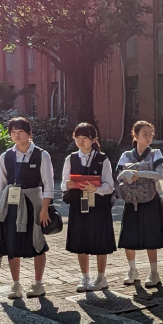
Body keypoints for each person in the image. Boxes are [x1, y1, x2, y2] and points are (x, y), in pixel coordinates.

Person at [0, 117, 54, 299]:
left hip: (33, 202)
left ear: (29, 133)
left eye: (20, 131)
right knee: (11, 243)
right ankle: (16, 285)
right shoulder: (6, 156)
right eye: (13, 132)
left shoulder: (42, 155)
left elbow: (48, 185)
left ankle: (38, 284)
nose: (16, 135)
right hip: (11, 205)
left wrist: (44, 209)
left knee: (37, 243)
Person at [61, 123, 116, 292]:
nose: (81, 141)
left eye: (85, 138)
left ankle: (101, 277)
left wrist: (96, 189)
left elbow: (110, 185)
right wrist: (69, 184)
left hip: (98, 204)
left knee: (101, 241)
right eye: (77, 137)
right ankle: (85, 277)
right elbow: (63, 184)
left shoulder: (102, 159)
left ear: (94, 140)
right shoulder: (71, 159)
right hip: (79, 204)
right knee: (80, 240)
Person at [117, 120, 163, 287]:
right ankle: (132, 269)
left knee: (151, 238)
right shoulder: (126, 155)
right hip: (131, 200)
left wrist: (138, 172)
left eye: (150, 134)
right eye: (144, 134)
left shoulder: (155, 153)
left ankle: (154, 272)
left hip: (150, 200)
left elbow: (159, 175)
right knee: (128, 237)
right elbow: (118, 177)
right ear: (136, 135)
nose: (148, 137)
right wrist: (126, 172)